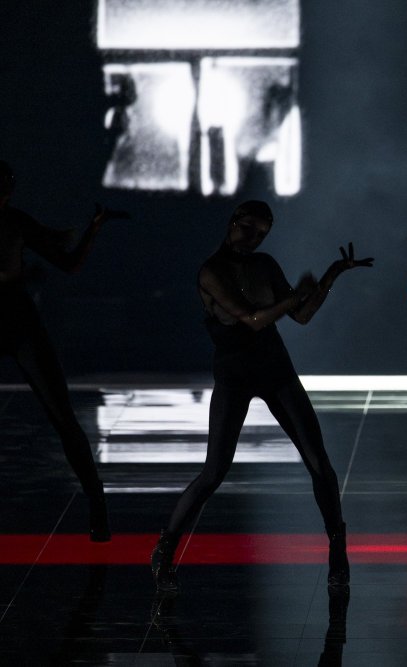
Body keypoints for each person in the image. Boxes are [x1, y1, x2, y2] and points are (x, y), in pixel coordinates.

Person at [150, 200, 372, 592]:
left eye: (263, 234)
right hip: (235, 374)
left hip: (274, 368)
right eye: (250, 229)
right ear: (233, 222)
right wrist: (295, 297)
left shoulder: (264, 264)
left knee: (319, 463)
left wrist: (331, 275)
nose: (255, 238)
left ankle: (338, 553)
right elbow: (253, 319)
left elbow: (301, 315)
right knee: (214, 471)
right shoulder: (212, 270)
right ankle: (165, 551)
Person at [0, 160, 124, 542]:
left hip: (19, 322)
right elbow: (66, 263)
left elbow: (67, 264)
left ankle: (96, 501)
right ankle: (96, 502)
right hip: (18, 320)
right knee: (63, 418)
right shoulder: (15, 221)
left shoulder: (15, 222)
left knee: (63, 416)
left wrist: (92, 230)